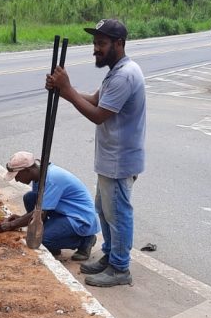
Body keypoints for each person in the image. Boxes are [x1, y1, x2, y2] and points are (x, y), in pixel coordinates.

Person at [45, 18, 146, 287]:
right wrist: (63, 89)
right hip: (111, 158)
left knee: (118, 214)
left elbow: (99, 115)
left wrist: (66, 91)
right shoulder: (117, 71)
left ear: (119, 44)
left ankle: (120, 268)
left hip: (119, 160)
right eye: (95, 43)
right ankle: (111, 256)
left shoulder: (125, 75)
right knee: (104, 210)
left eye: (101, 44)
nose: (95, 49)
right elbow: (96, 99)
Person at [0, 151, 99, 261]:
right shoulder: (39, 176)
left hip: (80, 218)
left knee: (41, 240)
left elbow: (40, 214)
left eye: (17, 176)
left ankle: (85, 241)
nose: (16, 180)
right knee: (30, 197)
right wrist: (20, 219)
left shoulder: (51, 178)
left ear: (27, 170)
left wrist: (12, 225)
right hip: (63, 211)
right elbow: (39, 209)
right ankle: (54, 242)